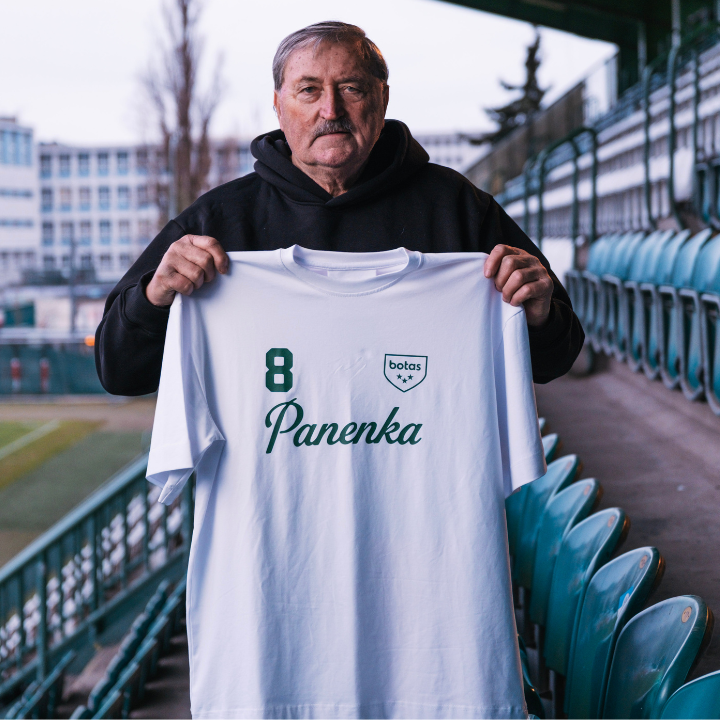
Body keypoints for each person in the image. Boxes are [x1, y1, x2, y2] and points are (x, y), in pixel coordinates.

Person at [95, 21, 583, 395]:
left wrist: (539, 312)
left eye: (351, 88)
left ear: (382, 100)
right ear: (278, 105)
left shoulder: (458, 207)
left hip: (417, 486)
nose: (331, 110)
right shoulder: (217, 222)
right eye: (308, 90)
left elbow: (554, 361)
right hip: (277, 491)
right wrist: (153, 297)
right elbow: (119, 373)